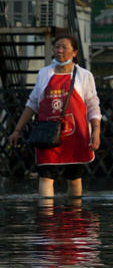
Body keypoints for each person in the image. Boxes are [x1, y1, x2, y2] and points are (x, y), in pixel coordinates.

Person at [7, 34, 102, 199]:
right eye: (57, 46)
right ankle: (46, 219)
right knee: (45, 175)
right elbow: (32, 104)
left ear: (74, 52)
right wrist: (17, 130)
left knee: (74, 178)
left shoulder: (84, 75)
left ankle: (74, 218)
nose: (59, 50)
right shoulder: (44, 73)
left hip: (76, 133)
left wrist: (96, 131)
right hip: (47, 133)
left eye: (64, 47)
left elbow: (93, 105)